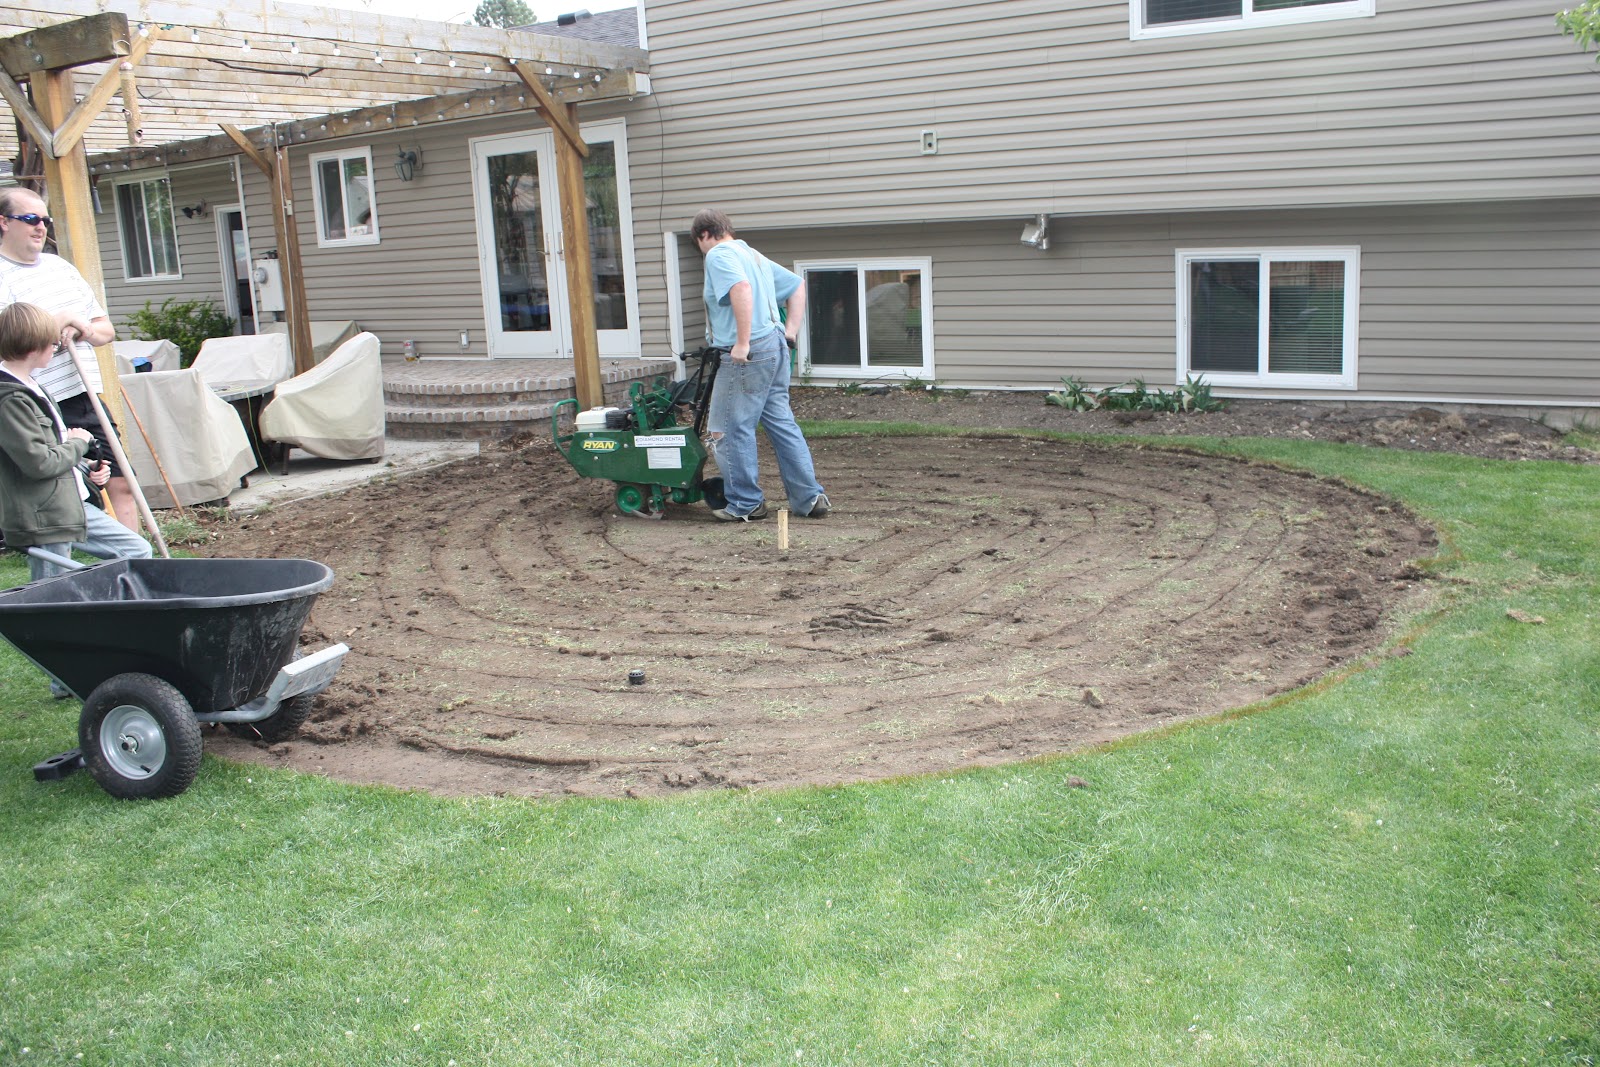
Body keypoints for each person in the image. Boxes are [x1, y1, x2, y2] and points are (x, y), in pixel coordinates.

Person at [0, 303, 152, 695]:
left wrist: (86, 466)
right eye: (52, 342)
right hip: (43, 514)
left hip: (71, 502)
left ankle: (117, 640)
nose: (57, 347)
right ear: (34, 345)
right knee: (49, 604)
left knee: (133, 551)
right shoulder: (8, 398)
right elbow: (36, 463)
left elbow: (54, 447)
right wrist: (80, 443)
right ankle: (63, 680)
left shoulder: (33, 385)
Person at [0, 188, 140, 532]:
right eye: (30, 219)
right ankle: (83, 565)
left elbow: (104, 330)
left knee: (120, 479)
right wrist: (55, 324)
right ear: (3, 222)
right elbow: (9, 341)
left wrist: (80, 330)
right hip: (36, 401)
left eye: (44, 220)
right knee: (67, 489)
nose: (40, 227)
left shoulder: (60, 268)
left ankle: (136, 561)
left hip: (84, 392)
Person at [691, 207, 829, 522]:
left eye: (698, 244)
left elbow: (741, 290)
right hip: (775, 347)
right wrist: (790, 333)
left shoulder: (718, 254)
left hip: (749, 353)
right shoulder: (750, 254)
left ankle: (745, 503)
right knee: (781, 424)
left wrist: (741, 342)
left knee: (727, 429)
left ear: (704, 235)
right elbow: (796, 285)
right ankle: (810, 498)